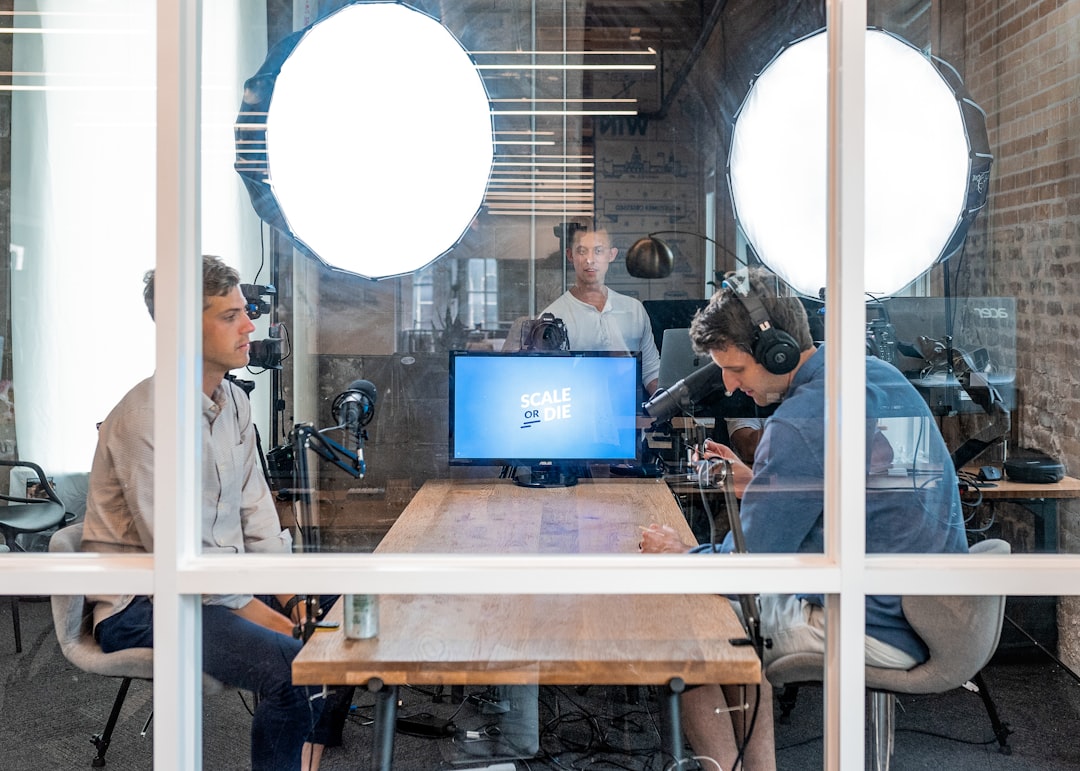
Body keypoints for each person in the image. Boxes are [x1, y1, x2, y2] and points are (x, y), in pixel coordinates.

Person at [640, 267, 968, 770]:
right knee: (729, 625)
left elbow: (747, 570)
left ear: (780, 352)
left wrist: (679, 554)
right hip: (930, 606)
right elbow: (848, 485)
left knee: (695, 630)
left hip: (875, 621)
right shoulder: (870, 374)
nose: (728, 387)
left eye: (737, 370)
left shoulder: (799, 423)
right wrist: (762, 479)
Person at [82, 255, 350, 771]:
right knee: (294, 667)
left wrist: (296, 598)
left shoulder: (231, 401)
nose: (250, 325)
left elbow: (257, 516)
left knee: (341, 616)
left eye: (245, 311)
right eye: (230, 316)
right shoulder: (146, 419)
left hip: (217, 580)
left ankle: (305, 759)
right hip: (144, 603)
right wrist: (277, 620)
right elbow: (185, 566)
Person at [542, 222, 661, 395]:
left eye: (598, 251)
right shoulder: (553, 317)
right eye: (582, 251)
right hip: (576, 413)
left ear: (611, 255)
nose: (590, 259)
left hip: (628, 414)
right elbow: (549, 381)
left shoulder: (634, 309)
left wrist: (668, 407)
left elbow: (651, 372)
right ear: (570, 255)